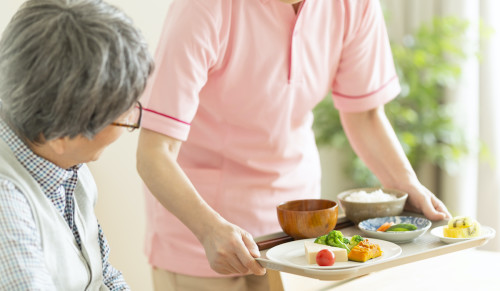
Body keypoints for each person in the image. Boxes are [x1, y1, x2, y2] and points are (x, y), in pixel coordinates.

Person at [136, 0, 451, 290]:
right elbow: (155, 153)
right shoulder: (206, 7)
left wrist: (406, 186)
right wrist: (209, 228)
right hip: (202, 235)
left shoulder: (352, 5)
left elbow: (365, 115)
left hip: (299, 237)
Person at [0, 0, 153, 289]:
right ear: (59, 134)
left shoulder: (61, 160)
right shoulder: (6, 206)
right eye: (124, 116)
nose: (133, 117)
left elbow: (102, 274)